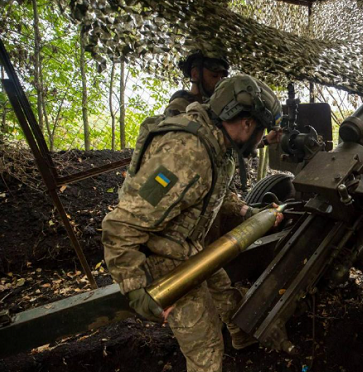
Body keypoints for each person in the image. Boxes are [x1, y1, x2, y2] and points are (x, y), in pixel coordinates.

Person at [102, 75, 284, 372]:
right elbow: (121, 225)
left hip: (187, 246)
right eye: (259, 128)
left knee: (224, 291)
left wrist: (247, 213)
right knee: (207, 349)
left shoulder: (216, 142)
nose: (259, 136)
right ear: (247, 124)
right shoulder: (187, 152)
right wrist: (136, 291)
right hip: (162, 259)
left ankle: (243, 338)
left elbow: (212, 192)